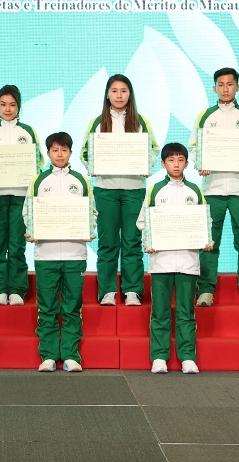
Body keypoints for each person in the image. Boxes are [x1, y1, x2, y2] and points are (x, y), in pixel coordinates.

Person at [189, 67, 239, 309]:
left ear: (238, 87)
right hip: (212, 189)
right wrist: (201, 162)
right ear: (214, 88)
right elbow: (194, 146)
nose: (225, 89)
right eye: (221, 85)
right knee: (208, 242)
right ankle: (205, 290)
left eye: (230, 84)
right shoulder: (205, 116)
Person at [80, 74, 159, 307]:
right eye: (114, 91)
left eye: (124, 91)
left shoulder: (141, 121)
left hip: (134, 189)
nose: (119, 95)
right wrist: (93, 167)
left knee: (132, 241)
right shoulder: (97, 122)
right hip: (105, 189)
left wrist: (146, 165)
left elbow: (154, 149)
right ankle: (107, 290)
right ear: (107, 95)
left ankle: (132, 290)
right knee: (107, 242)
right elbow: (85, 152)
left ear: (130, 94)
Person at [138, 143, 211, 375]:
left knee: (185, 312)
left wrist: (206, 239)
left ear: (187, 163)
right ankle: (159, 357)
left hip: (188, 262)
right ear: (163, 164)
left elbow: (205, 221)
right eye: (171, 160)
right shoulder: (155, 190)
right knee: (160, 312)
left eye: (180, 160)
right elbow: (143, 221)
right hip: (161, 261)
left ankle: (187, 357)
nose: (176, 164)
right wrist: (148, 242)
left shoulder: (195, 190)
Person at [25, 132, 94, 373]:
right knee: (47, 307)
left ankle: (71, 355)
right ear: (48, 153)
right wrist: (32, 230)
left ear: (70, 152)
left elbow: (92, 212)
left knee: (72, 307)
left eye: (64, 150)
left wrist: (89, 229)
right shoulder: (39, 181)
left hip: (75, 254)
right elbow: (28, 211)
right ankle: (48, 355)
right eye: (55, 150)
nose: (60, 154)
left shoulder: (81, 180)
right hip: (46, 254)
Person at [0, 85, 43, 306]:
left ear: (19, 106)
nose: (8, 109)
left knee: (17, 244)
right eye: (3, 104)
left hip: (20, 196)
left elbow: (38, 161)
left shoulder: (28, 132)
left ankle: (17, 289)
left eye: (12, 105)